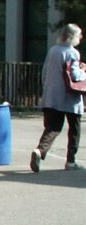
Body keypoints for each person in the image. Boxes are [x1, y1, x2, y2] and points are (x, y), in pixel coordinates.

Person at [31, 23, 86, 172]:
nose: (80, 37)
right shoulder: (72, 53)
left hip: (52, 95)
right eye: (79, 35)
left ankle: (40, 150)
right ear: (72, 37)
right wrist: (83, 71)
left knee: (53, 127)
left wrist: (46, 89)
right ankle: (71, 162)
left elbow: (45, 72)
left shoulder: (53, 50)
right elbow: (74, 75)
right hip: (70, 98)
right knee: (74, 129)